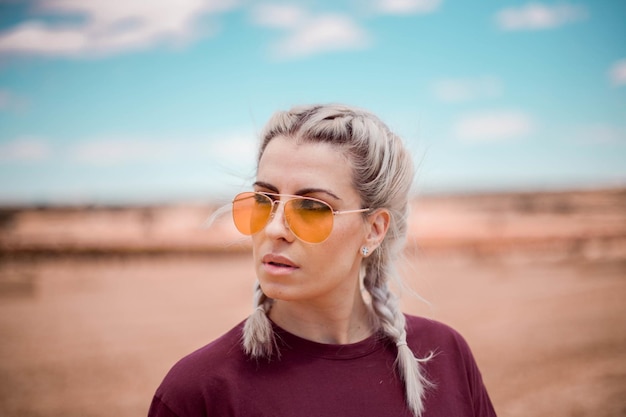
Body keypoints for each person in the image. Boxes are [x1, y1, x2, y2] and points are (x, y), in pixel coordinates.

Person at [147, 104, 497, 417]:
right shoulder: (198, 393)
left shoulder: (444, 356)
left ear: (374, 230)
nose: (274, 229)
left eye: (313, 207)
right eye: (264, 200)